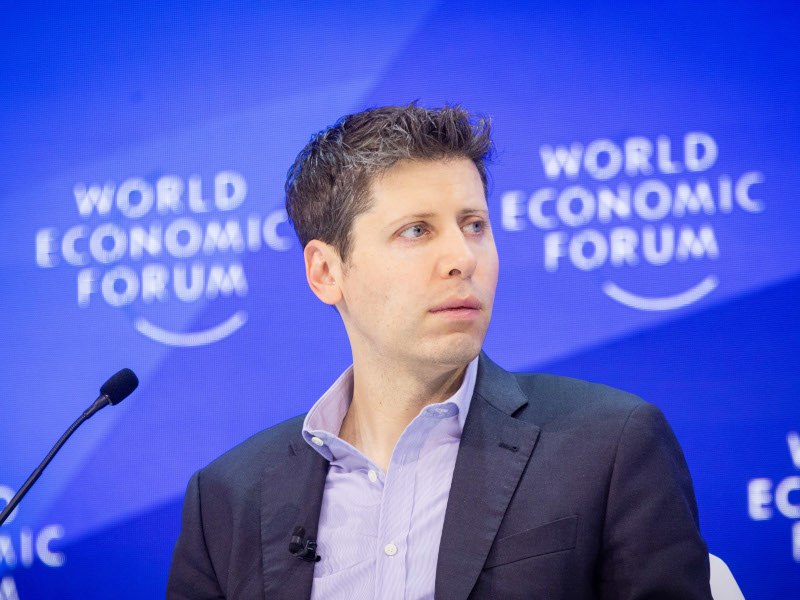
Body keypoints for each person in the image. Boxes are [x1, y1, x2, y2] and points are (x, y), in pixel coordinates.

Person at [167, 104, 712, 599]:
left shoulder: (608, 446)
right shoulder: (228, 500)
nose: (462, 258)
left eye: (474, 226)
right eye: (416, 231)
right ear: (326, 272)